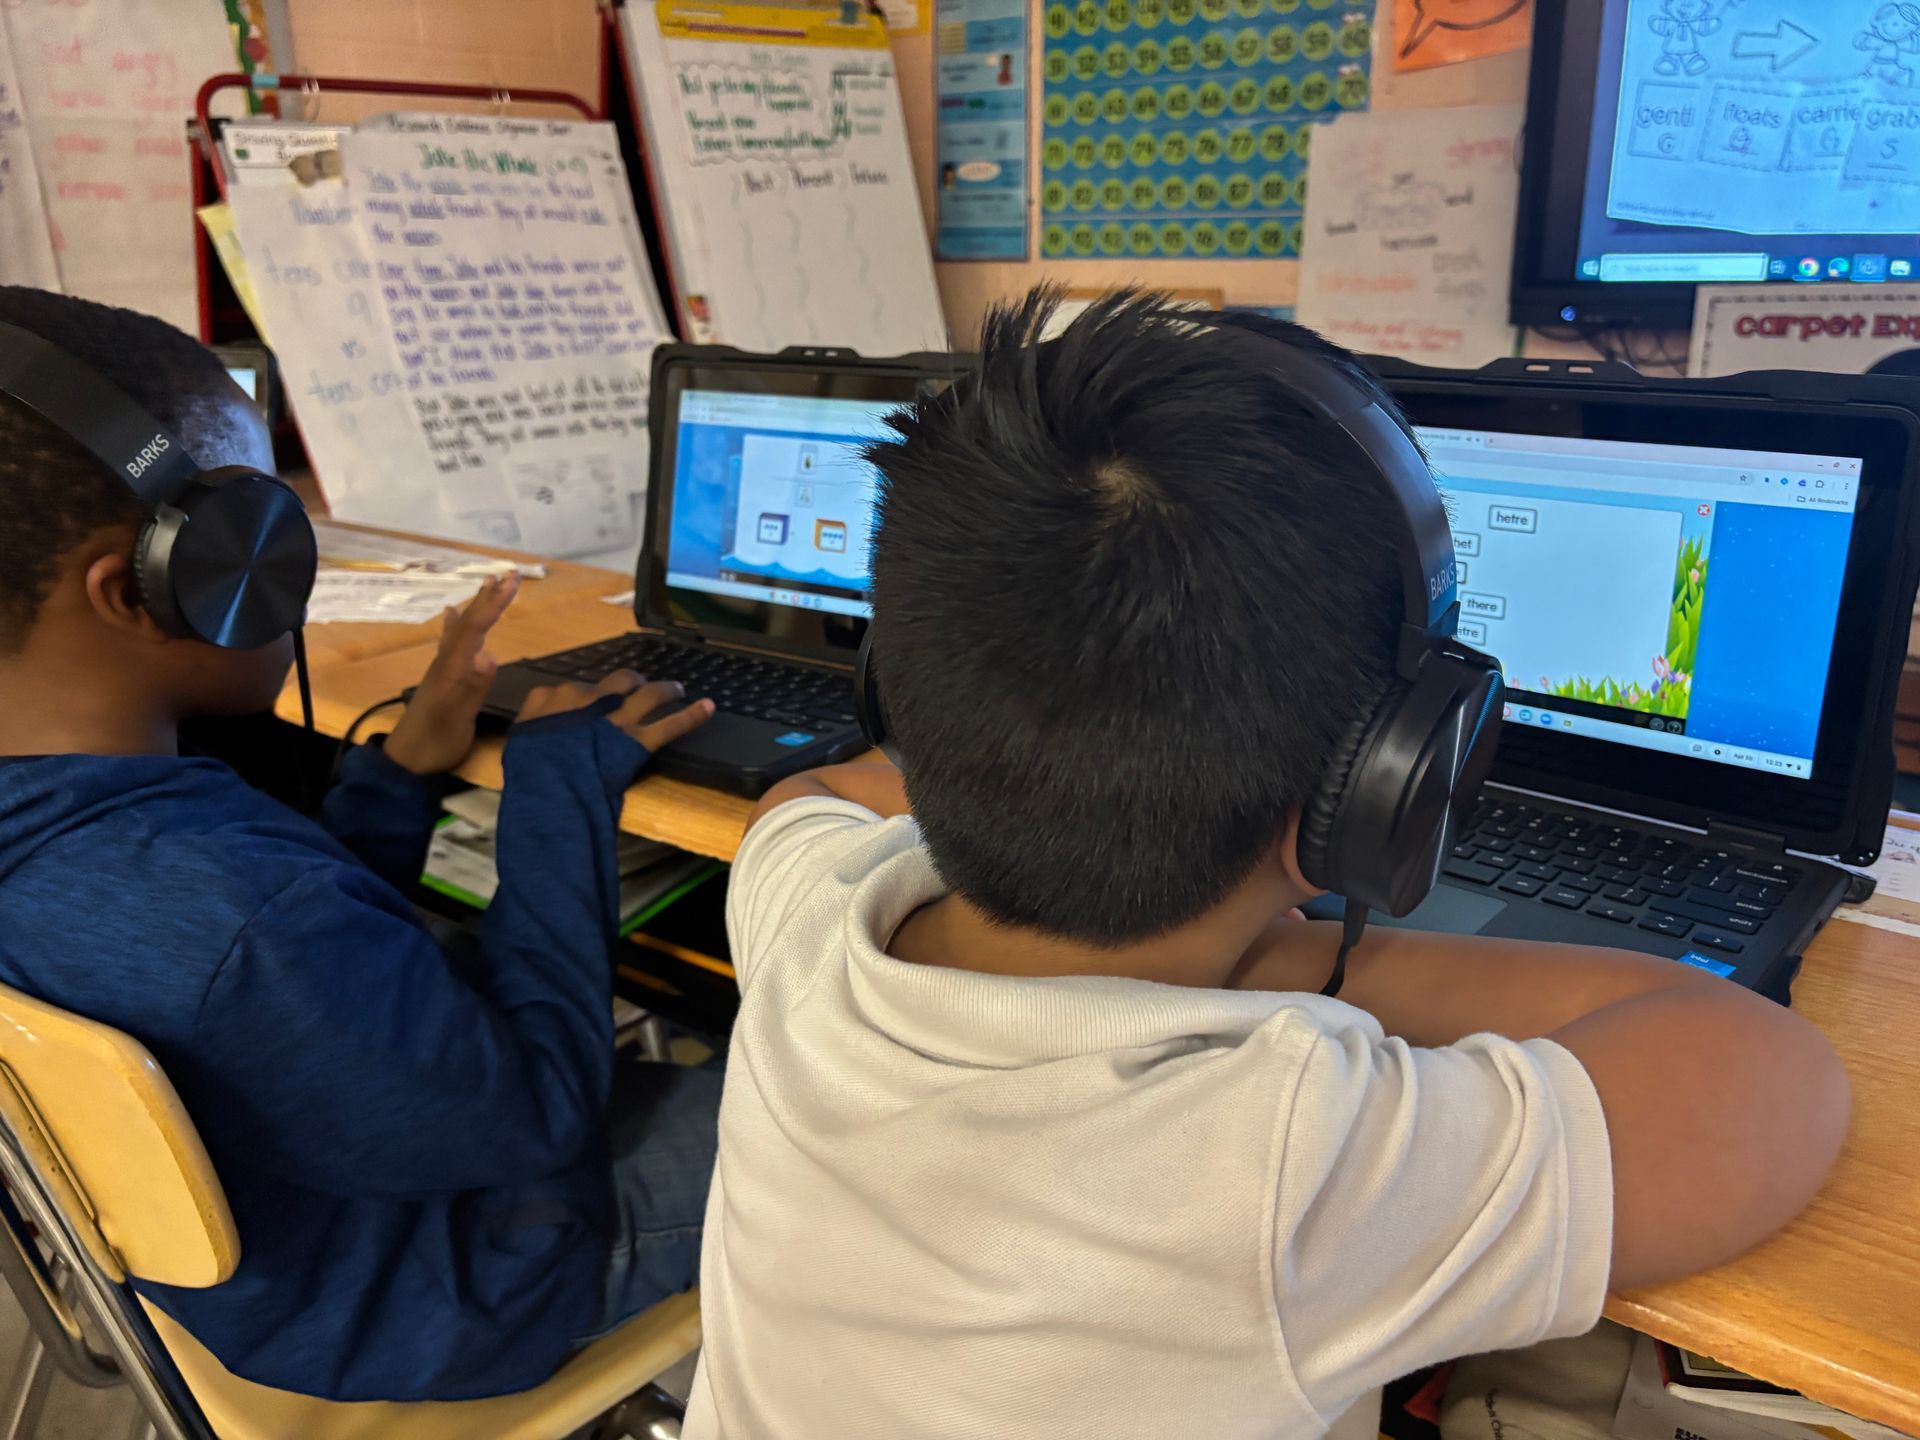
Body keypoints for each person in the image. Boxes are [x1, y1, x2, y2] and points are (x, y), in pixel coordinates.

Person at [684, 289, 1852, 1438]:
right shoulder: (1283, 1157)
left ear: (898, 686)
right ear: (1376, 800)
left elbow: (813, 792)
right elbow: (1772, 1079)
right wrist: (1271, 966)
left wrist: (1037, 796)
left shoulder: (801, 919)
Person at [0, 287, 722, 1402]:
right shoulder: (221, 910)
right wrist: (554, 793)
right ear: (139, 590)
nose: (287, 566)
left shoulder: (91, 829)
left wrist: (398, 776)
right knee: (849, 1100)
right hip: (460, 1281)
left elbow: (294, 970)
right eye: (256, 531)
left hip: (293, 1241)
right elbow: (536, 1115)